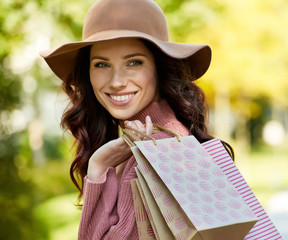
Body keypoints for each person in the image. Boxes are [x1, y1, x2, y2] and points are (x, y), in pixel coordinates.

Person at [40, 0, 233, 239]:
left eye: (134, 62)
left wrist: (99, 167)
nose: (116, 81)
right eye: (101, 64)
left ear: (159, 68)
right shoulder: (171, 138)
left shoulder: (151, 152)